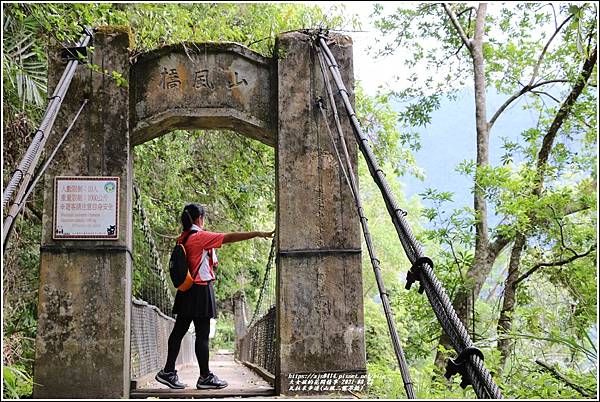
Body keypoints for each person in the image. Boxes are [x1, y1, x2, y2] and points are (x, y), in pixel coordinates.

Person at [155, 203, 274, 390]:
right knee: (202, 335)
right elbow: (230, 237)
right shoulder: (201, 237)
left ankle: (168, 372)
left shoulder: (183, 237)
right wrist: (258, 233)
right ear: (199, 219)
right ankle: (204, 377)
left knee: (179, 331)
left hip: (186, 290)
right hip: (200, 289)